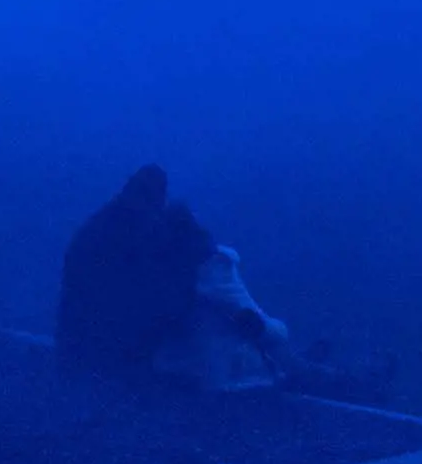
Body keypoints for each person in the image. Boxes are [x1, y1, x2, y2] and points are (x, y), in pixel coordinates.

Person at [58, 165, 286, 390]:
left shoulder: (105, 235)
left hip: (108, 357)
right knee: (292, 369)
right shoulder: (209, 267)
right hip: (212, 379)